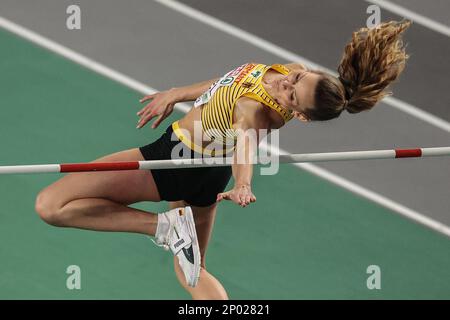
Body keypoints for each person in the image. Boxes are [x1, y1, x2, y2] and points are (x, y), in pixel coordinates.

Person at [34, 20, 411, 300]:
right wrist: (177, 93)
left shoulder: (258, 112)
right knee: (192, 272)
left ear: (300, 115)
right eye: (298, 78)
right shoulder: (288, 70)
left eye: (294, 96)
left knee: (52, 204)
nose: (287, 85)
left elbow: (247, 142)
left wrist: (243, 184)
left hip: (176, 159)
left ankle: (162, 228)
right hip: (204, 174)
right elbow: (229, 82)